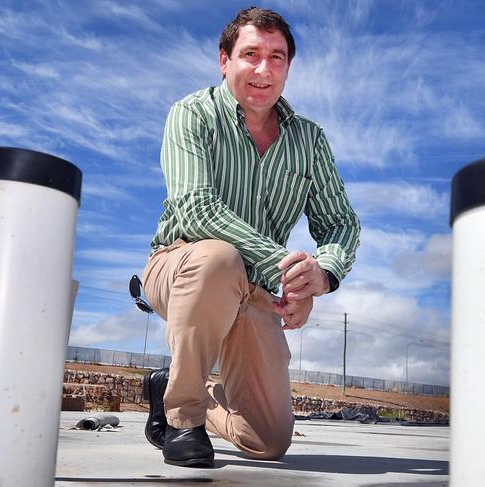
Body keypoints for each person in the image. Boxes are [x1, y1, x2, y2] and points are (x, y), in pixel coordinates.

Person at [141, 6, 360, 468]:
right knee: (219, 258)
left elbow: (341, 223)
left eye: (276, 57)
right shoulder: (192, 115)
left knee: (268, 440)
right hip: (181, 264)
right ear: (225, 60)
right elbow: (196, 209)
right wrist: (285, 265)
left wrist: (319, 276)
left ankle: (175, 386)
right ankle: (184, 420)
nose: (263, 69)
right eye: (250, 54)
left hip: (257, 286)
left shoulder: (310, 140)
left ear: (288, 66)